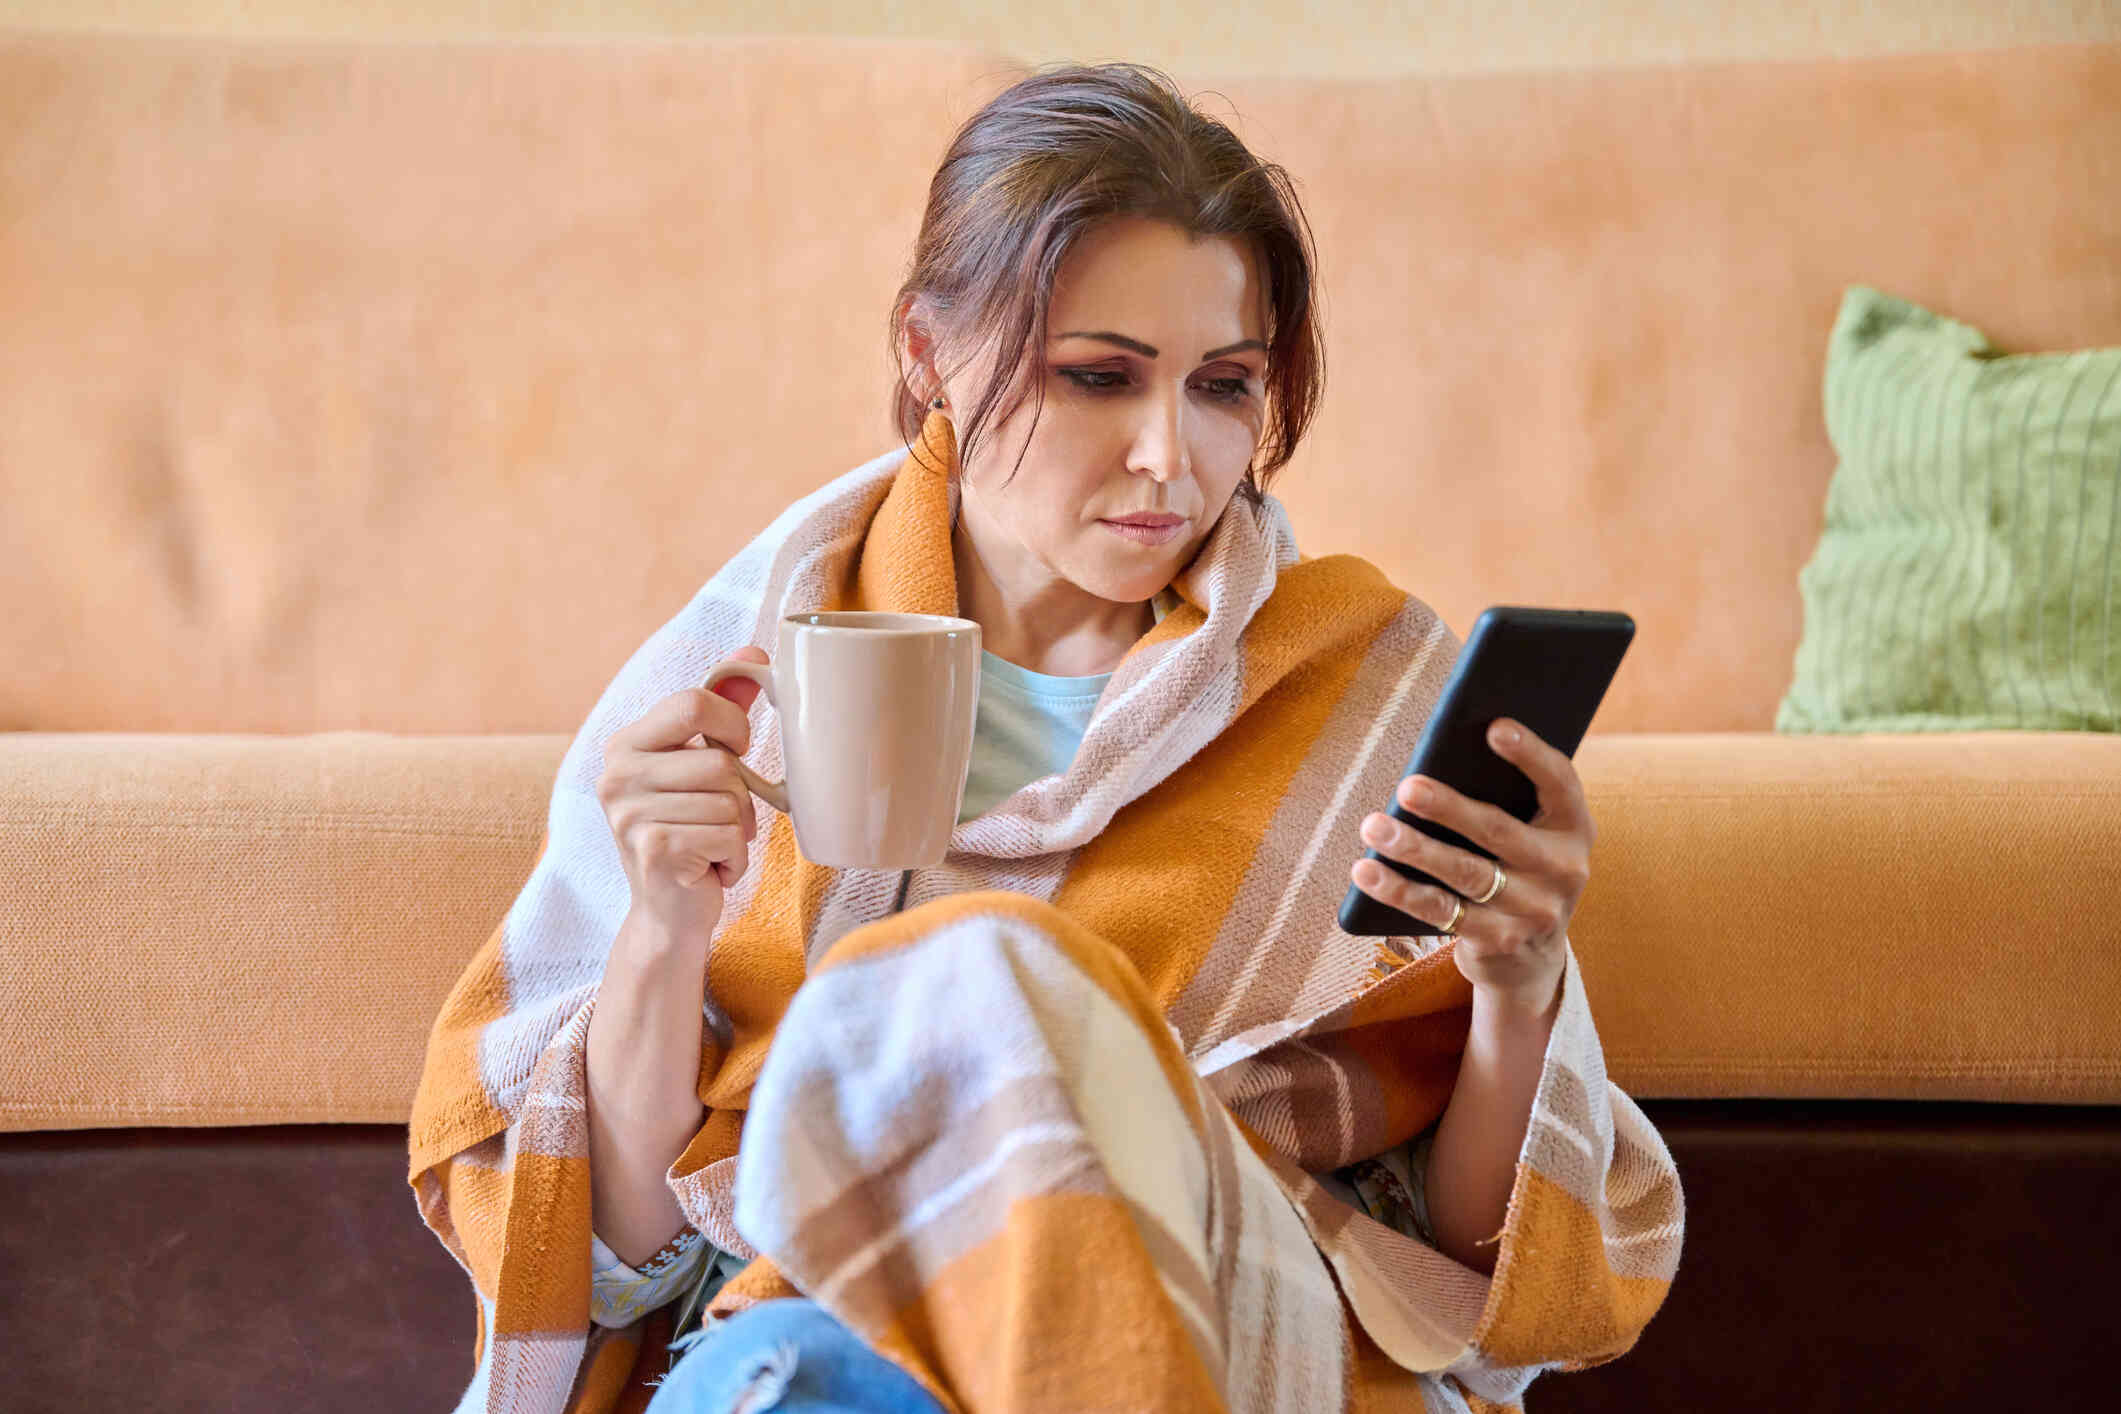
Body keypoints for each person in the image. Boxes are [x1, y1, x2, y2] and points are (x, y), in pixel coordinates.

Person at [409, 61, 1683, 1414]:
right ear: (923, 352)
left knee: (988, 984)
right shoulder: (755, 655)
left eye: (1222, 385)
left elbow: (1469, 1290)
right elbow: (611, 1257)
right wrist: (665, 925)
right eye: (1097, 377)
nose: (1167, 456)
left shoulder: (1363, 685)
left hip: (1230, 1332)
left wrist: (1518, 982)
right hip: (808, 1335)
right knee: (813, 1371)